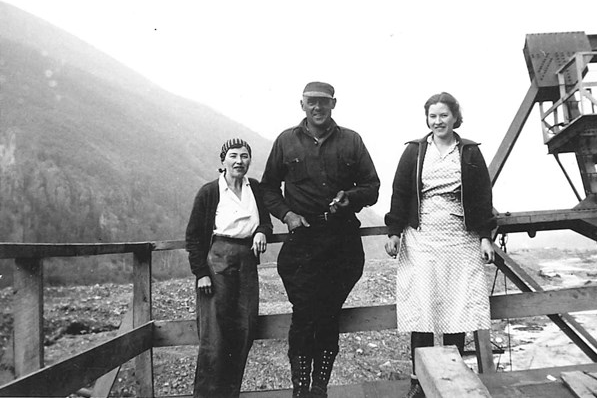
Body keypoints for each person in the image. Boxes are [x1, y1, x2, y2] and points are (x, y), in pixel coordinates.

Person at [261, 81, 380, 397]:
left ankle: (319, 388)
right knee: (303, 316)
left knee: (328, 316)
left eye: (323, 102)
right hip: (301, 245)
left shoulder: (351, 141)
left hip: (342, 246)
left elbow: (372, 187)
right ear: (302, 104)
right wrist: (287, 215)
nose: (317, 108)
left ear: (333, 104)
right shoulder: (286, 141)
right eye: (311, 102)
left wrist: (350, 198)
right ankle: (301, 389)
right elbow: (268, 189)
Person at [384, 92, 496, 398]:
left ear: (455, 117)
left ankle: (451, 379)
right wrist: (394, 231)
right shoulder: (414, 151)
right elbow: (400, 191)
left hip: (461, 237)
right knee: (422, 305)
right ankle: (418, 382)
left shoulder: (470, 152)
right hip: (422, 238)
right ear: (427, 119)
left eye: (444, 115)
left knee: (456, 306)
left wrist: (486, 236)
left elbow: (483, 196)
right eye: (433, 116)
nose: (438, 122)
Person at [185, 138, 272, 398]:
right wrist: (201, 273)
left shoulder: (254, 188)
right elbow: (192, 237)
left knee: (243, 331)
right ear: (223, 160)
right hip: (217, 264)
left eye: (244, 156)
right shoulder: (210, 192)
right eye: (233, 156)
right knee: (214, 337)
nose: (239, 161)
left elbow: (266, 221)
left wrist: (261, 232)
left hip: (246, 264)